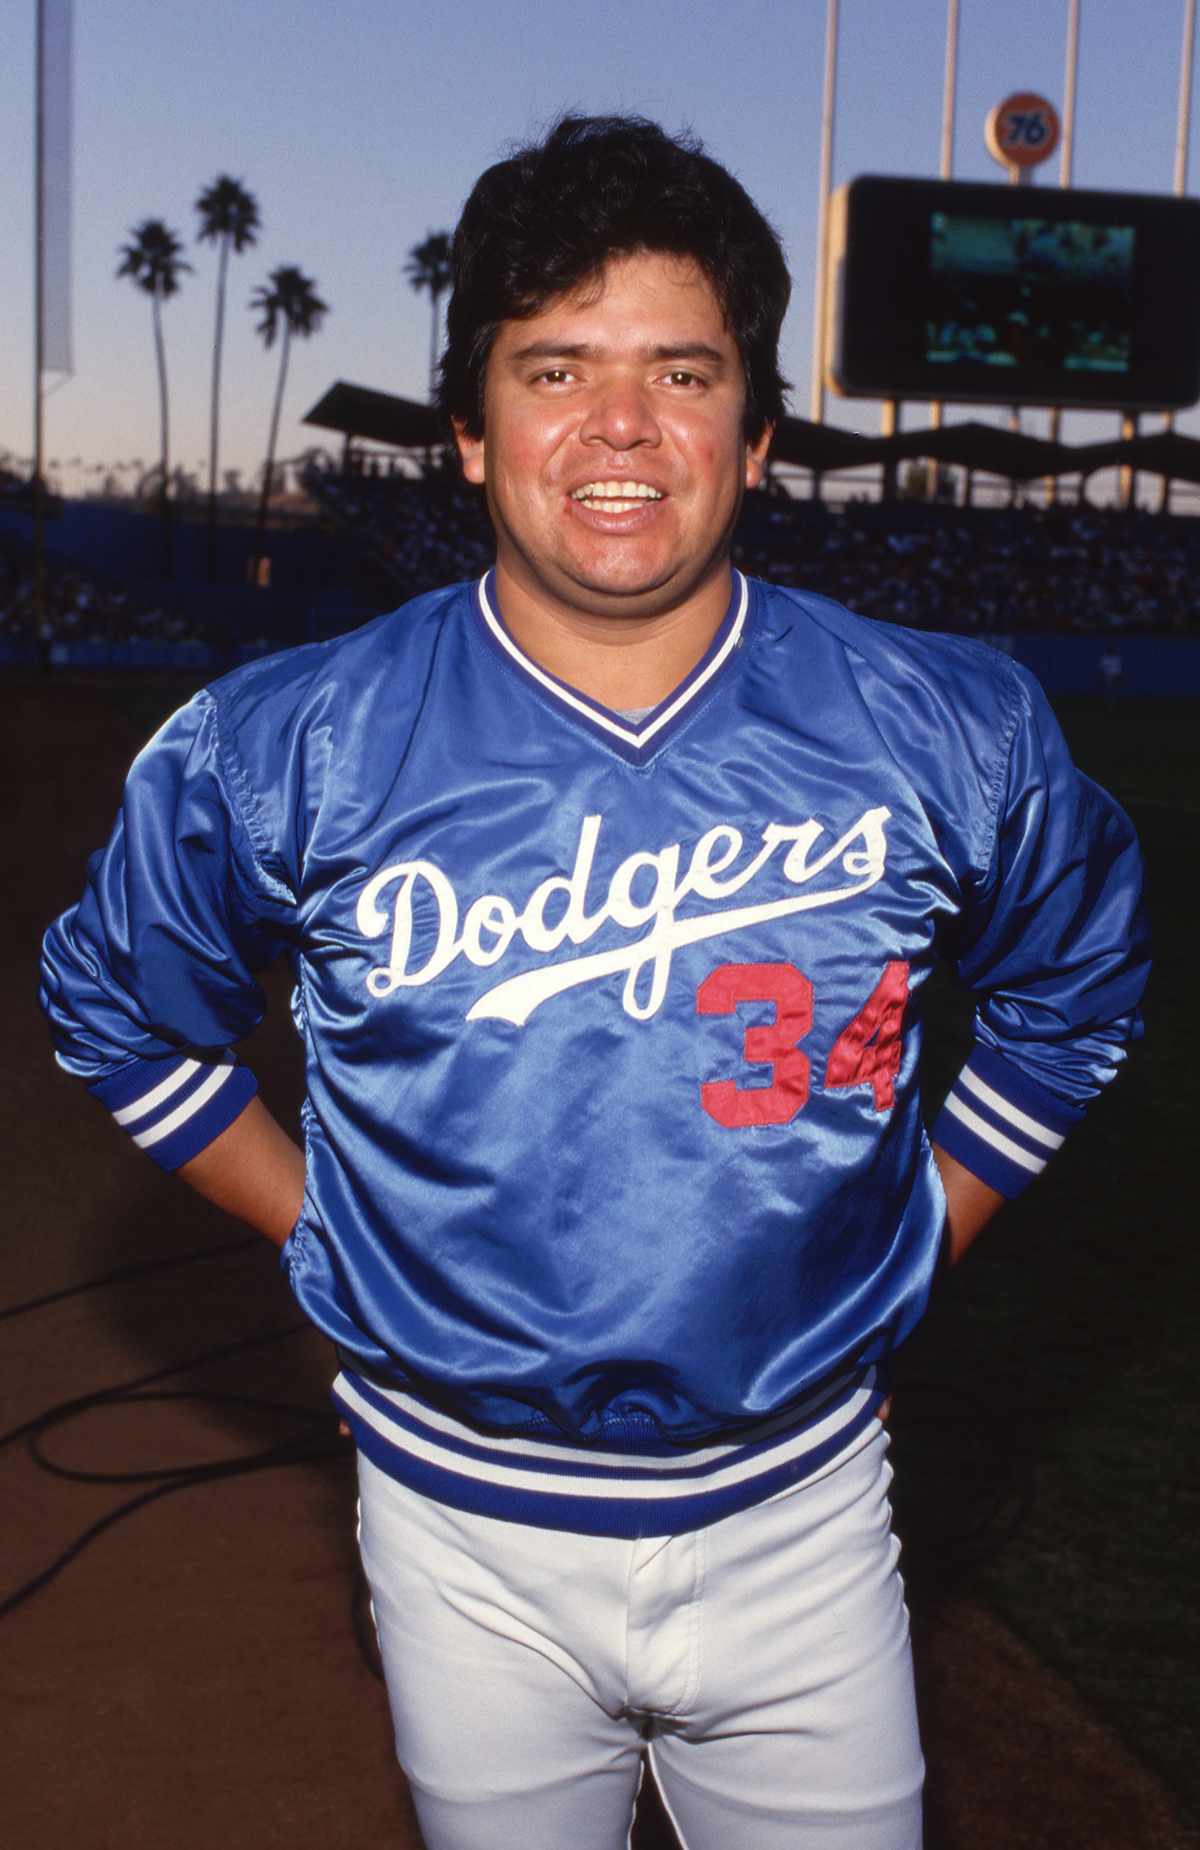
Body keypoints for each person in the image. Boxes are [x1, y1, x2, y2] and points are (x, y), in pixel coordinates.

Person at [41, 116, 1148, 1850]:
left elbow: (1076, 986)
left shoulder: (945, 723)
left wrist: (923, 1223)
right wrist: (317, 1219)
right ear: (472, 433)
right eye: (556, 367)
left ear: (756, 431)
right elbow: (120, 1006)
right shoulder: (290, 742)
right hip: (457, 1523)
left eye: (680, 371)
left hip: (804, 1510)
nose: (621, 424)